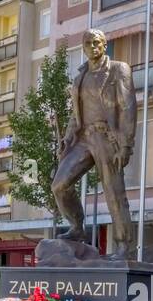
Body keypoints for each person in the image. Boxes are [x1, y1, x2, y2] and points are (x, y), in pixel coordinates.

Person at [49, 28, 138, 259]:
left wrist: (126, 145)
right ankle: (77, 227)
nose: (93, 46)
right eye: (88, 43)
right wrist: (68, 137)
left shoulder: (119, 70)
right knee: (59, 185)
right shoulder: (80, 76)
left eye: (97, 42)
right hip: (83, 138)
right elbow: (75, 114)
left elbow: (128, 108)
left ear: (105, 44)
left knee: (113, 190)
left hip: (107, 137)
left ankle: (124, 246)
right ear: (83, 48)